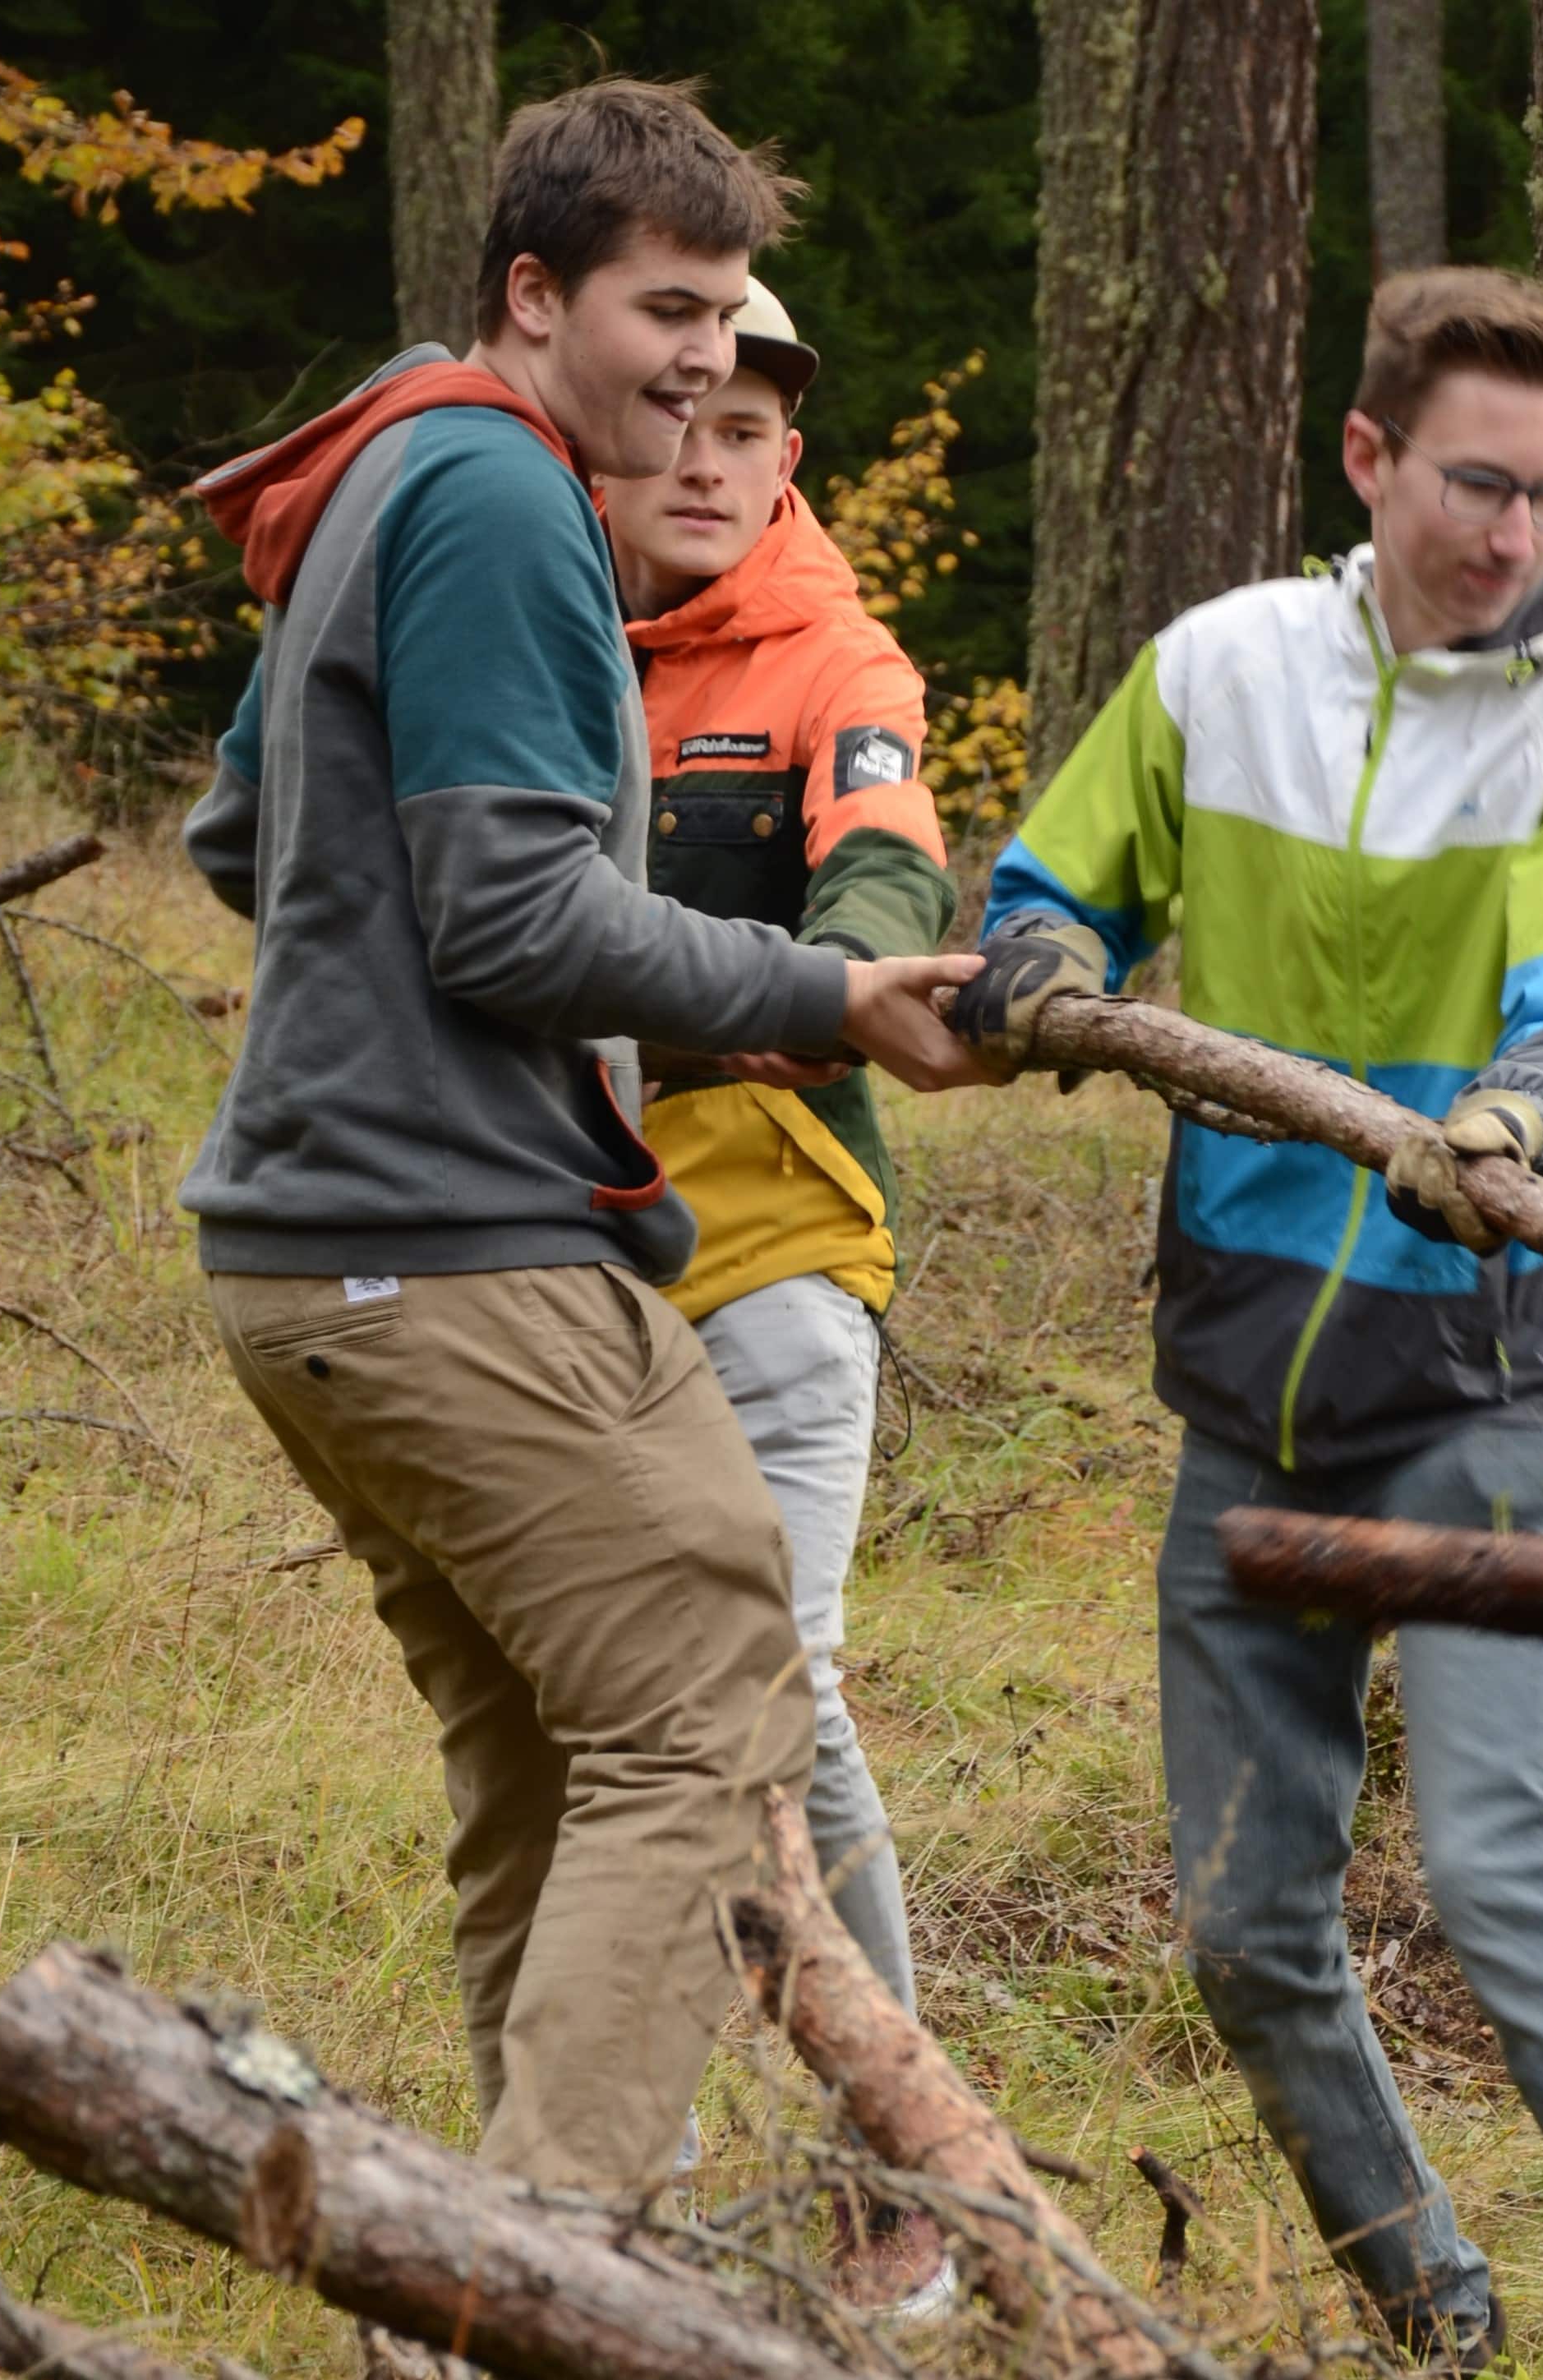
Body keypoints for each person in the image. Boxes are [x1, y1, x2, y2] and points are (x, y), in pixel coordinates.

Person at [949, 265, 1543, 2380]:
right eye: (1478, 485)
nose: (1520, 535)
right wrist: (1040, 956)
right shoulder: (1222, 667)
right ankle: (1437, 2333)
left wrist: (1522, 1122)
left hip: (1494, 1371)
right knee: (1241, 1927)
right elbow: (1058, 883)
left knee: (1510, 1874)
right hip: (1252, 1387)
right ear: (1369, 458)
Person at [177, 77, 984, 2207]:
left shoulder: (386, 460)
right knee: (722, 1703)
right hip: (442, 1253)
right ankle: (562, 2290)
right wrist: (826, 996)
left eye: (728, 317)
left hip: (304, 1263)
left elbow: (240, 828)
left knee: (551, 1771)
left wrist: (376, 1013)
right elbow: (518, 916)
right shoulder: (511, 497)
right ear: (535, 296)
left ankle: (503, 2307)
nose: (705, 358)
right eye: (667, 310)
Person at [596, 277, 957, 2311]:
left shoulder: (834, 654)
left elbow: (887, 849)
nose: (710, 465)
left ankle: (898, 2177)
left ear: (788, 452)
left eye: (752, 433)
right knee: (617, 1714)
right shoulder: (538, 619)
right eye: (687, 423)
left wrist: (854, 961)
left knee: (778, 1689)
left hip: (785, 1255)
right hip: (556, 1265)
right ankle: (625, 2175)